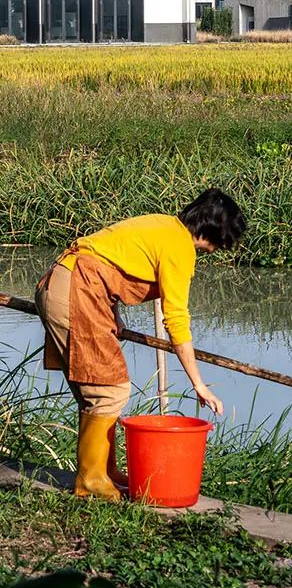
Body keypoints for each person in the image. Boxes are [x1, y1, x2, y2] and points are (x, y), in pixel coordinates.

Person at [35, 188, 247, 503]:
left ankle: (103, 471)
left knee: (95, 390)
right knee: (110, 389)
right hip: (76, 292)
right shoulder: (179, 248)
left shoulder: (163, 224)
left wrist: (113, 313)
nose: (220, 248)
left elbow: (104, 259)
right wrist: (199, 384)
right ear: (214, 231)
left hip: (66, 284)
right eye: (225, 240)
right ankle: (91, 479)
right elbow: (176, 320)